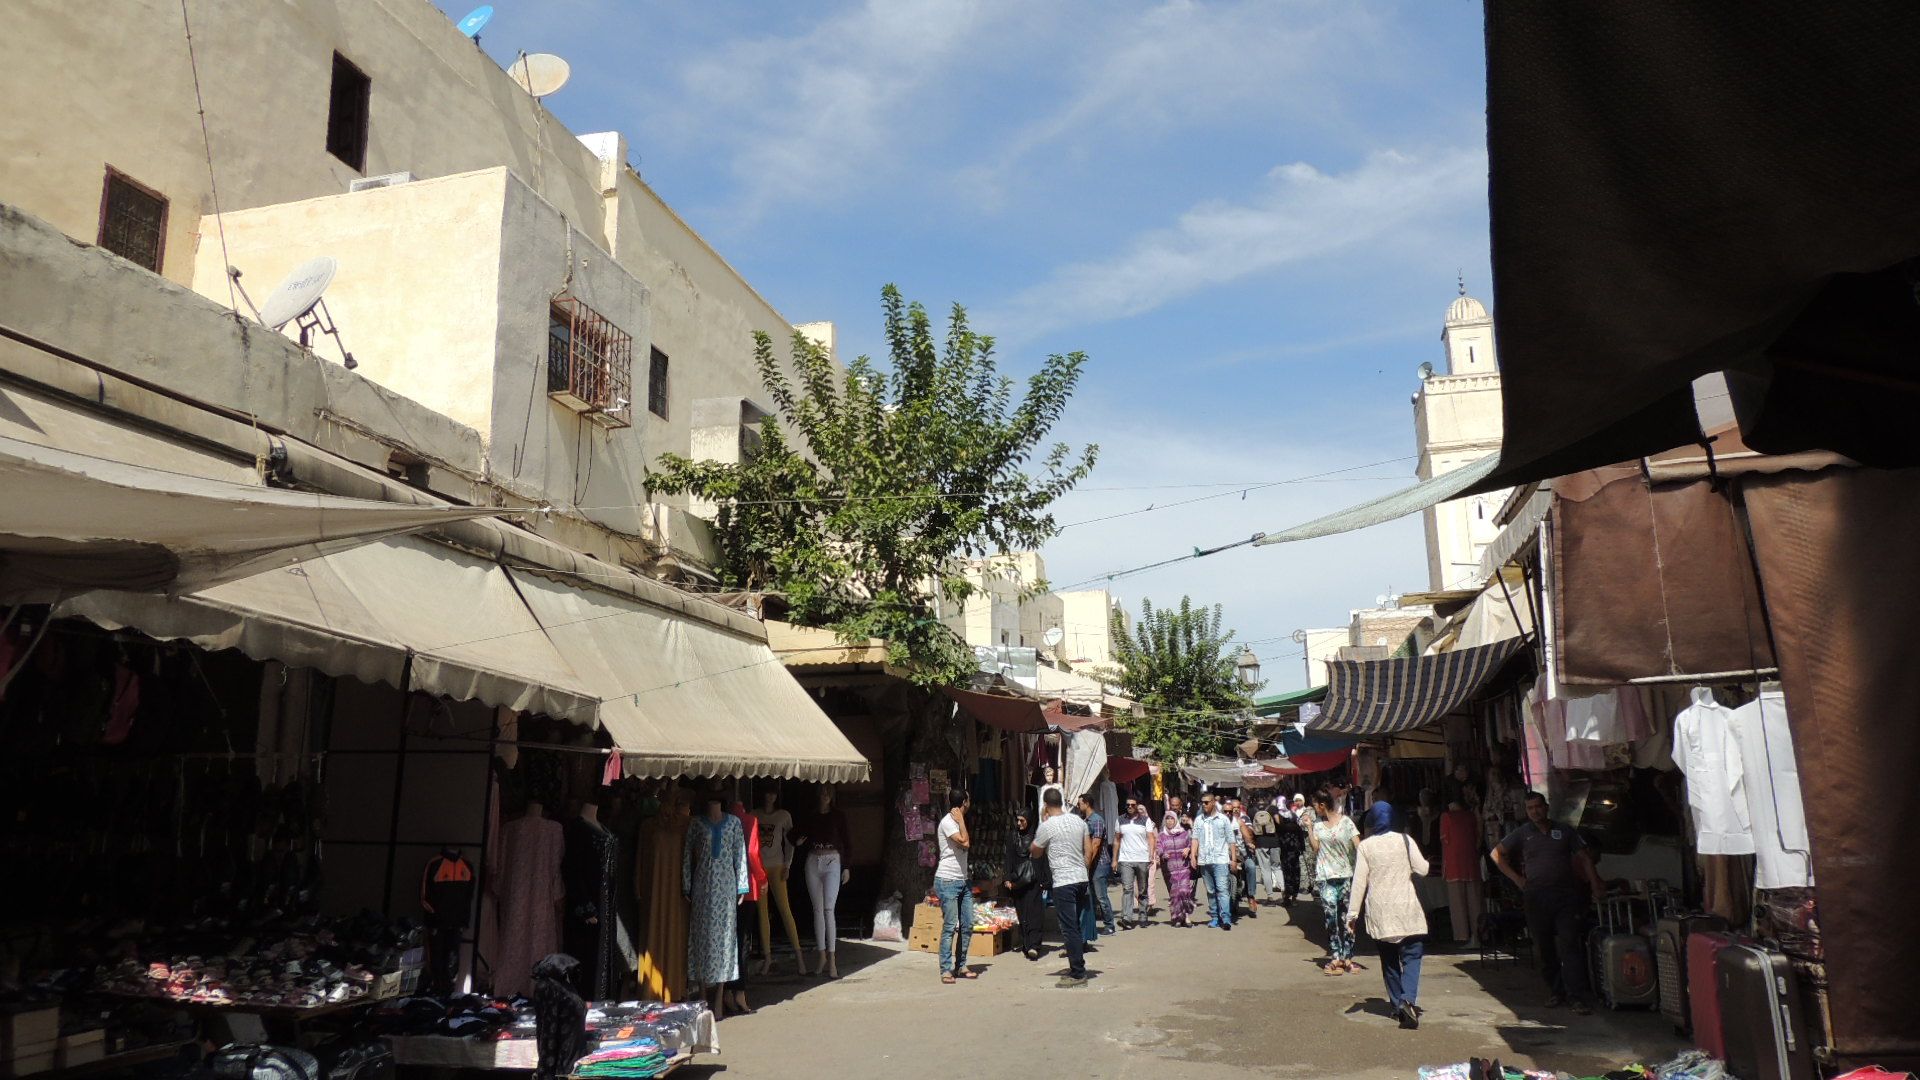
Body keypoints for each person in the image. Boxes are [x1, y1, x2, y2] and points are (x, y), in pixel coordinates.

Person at [1491, 791, 1607, 1015]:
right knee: (1545, 948)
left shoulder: (1564, 831)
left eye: (1538, 807)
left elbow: (1584, 858)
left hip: (1566, 897)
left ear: (1546, 807)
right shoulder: (1523, 833)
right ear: (1527, 812)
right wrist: (1518, 880)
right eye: (1530, 808)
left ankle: (1577, 997)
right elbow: (1496, 854)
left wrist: (1595, 884)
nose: (1535, 811)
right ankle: (1556, 992)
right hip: (1536, 898)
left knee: (1570, 946)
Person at [1348, 802, 1432, 1029]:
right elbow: (1423, 869)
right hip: (1407, 910)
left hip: (1380, 912)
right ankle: (1408, 1001)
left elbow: (1359, 883)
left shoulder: (1366, 847)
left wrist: (1352, 915)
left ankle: (1397, 1007)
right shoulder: (1405, 840)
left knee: (1390, 961)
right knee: (1412, 957)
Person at [1031, 788, 1095, 988]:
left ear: (1046, 805)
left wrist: (1043, 821)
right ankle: (1077, 965)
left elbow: (1035, 852)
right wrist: (1083, 868)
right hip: (1081, 879)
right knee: (1075, 925)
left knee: (1069, 929)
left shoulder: (1047, 826)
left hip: (1063, 881)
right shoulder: (1078, 821)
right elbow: (1089, 850)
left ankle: (1078, 973)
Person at [792, 785, 852, 979]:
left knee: (828, 909)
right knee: (817, 910)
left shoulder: (838, 816)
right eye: (822, 793)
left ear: (832, 796)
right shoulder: (811, 815)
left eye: (828, 793)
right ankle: (821, 957)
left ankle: (832, 960)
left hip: (832, 860)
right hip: (813, 860)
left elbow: (847, 842)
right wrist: (797, 841)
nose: (825, 796)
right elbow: (793, 834)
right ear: (818, 795)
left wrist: (847, 867)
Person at [1309, 789, 1361, 974]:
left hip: (1345, 875)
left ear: (1322, 805)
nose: (1314, 808)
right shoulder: (1317, 825)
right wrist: (1309, 827)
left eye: (1315, 804)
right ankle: (1336, 956)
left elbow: (1358, 845)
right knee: (1330, 917)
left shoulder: (1346, 822)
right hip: (1325, 877)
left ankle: (1348, 957)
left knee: (1348, 918)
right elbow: (1315, 848)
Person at [933, 789, 976, 984]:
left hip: (964, 880)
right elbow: (965, 843)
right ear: (964, 802)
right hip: (948, 880)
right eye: (969, 800)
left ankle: (962, 964)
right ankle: (945, 969)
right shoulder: (948, 822)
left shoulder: (957, 821)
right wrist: (961, 821)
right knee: (950, 926)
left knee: (967, 925)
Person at [1440, 797, 1484, 949]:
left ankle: (1463, 936)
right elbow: (1478, 839)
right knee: (1476, 902)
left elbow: (1445, 842)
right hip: (1472, 863)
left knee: (1458, 904)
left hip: (1454, 865)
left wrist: (1444, 868)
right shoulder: (1472, 816)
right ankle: (1479, 935)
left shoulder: (1446, 817)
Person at [1192, 793, 1240, 930]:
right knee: (1210, 891)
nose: (1204, 805)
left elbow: (1231, 840)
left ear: (1213, 802)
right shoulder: (1199, 820)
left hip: (1220, 860)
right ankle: (1214, 917)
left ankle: (1226, 918)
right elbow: (1195, 838)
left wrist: (1234, 860)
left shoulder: (1223, 819)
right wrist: (1193, 856)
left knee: (1223, 890)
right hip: (1204, 860)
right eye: (1202, 802)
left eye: (1207, 802)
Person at [1004, 810, 1048, 959]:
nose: (1019, 824)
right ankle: (1027, 943)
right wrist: (1007, 878)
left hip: (1034, 881)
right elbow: (1008, 857)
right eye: (1018, 820)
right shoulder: (1012, 837)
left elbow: (1043, 859)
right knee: (1022, 913)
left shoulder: (1037, 838)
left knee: (1034, 913)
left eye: (1022, 821)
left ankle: (1034, 945)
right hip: (1018, 882)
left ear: (1029, 820)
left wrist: (1045, 881)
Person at [1075, 794, 1117, 937]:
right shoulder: (1084, 820)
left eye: (1080, 803)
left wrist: (1087, 863)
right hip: (1091, 863)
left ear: (1086, 804)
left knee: (1101, 896)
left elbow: (1096, 844)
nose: (1078, 806)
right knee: (1091, 896)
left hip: (1099, 863)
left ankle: (1110, 925)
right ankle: (1091, 926)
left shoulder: (1097, 820)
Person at [1114, 797, 1157, 928]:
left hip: (1142, 859)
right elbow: (1117, 840)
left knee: (1142, 889)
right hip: (1126, 859)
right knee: (1127, 889)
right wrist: (1114, 859)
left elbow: (1151, 838)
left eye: (1133, 805)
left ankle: (1143, 915)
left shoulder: (1145, 820)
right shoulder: (1120, 819)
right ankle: (1126, 918)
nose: (1130, 807)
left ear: (1137, 806)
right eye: (1128, 805)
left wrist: (1151, 854)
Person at [1157, 810, 1197, 927]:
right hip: (1169, 870)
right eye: (1167, 819)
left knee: (1184, 892)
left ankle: (1187, 916)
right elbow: (1158, 848)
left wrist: (1188, 849)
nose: (1169, 821)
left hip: (1184, 867)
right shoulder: (1162, 835)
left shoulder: (1184, 833)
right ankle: (1178, 917)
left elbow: (1191, 843)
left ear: (1176, 820)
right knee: (1175, 894)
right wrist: (1163, 854)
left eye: (1172, 819)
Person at [1275, 793, 1307, 905]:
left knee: (1287, 874)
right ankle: (1293, 897)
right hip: (1294, 852)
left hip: (1286, 852)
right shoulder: (1296, 824)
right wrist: (1302, 849)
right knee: (1295, 873)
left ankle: (1288, 897)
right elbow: (1301, 837)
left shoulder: (1282, 826)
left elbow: (1278, 836)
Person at [1234, 800, 1262, 918]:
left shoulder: (1244, 818)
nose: (1234, 810)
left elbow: (1250, 834)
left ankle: (1251, 896)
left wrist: (1242, 826)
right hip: (1227, 855)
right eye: (1232, 808)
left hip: (1244, 854)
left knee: (1250, 867)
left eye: (1237, 808)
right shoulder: (1223, 819)